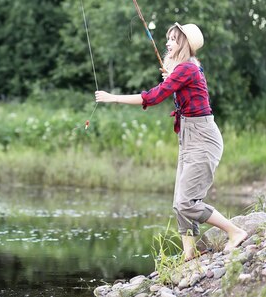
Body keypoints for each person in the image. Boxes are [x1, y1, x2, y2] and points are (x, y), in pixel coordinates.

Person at [94, 23, 248, 261]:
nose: (168, 43)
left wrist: (113, 98)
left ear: (184, 44)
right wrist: (172, 78)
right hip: (188, 136)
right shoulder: (184, 70)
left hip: (203, 138)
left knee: (187, 202)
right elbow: (179, 86)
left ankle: (235, 231)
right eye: (168, 39)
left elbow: (153, 97)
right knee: (179, 202)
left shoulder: (186, 68)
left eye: (174, 40)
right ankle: (191, 251)